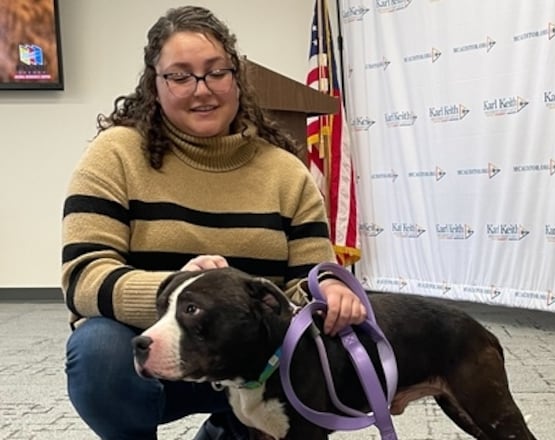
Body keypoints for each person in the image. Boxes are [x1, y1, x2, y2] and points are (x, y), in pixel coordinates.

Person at [61, 6, 366, 440]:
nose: (202, 90)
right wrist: (179, 291)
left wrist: (331, 287)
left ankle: (231, 426)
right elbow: (83, 276)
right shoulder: (114, 156)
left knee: (306, 348)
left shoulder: (285, 171)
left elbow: (306, 283)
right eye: (180, 76)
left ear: (236, 78)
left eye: (215, 72)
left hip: (253, 369)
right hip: (152, 365)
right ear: (155, 84)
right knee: (97, 353)